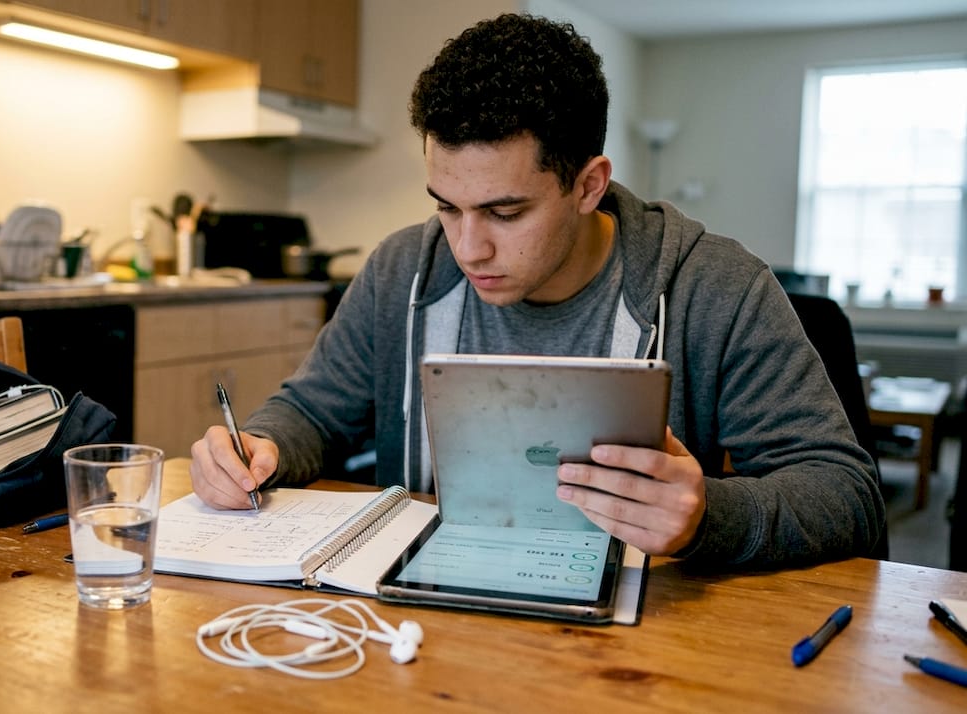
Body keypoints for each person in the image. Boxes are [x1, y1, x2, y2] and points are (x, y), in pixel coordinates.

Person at [189, 13, 884, 568]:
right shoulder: (402, 269)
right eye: (447, 206)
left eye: (505, 212)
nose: (468, 247)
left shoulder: (717, 287)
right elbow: (311, 412)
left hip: (636, 651)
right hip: (423, 624)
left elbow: (847, 494)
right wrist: (259, 447)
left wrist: (708, 517)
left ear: (589, 185)